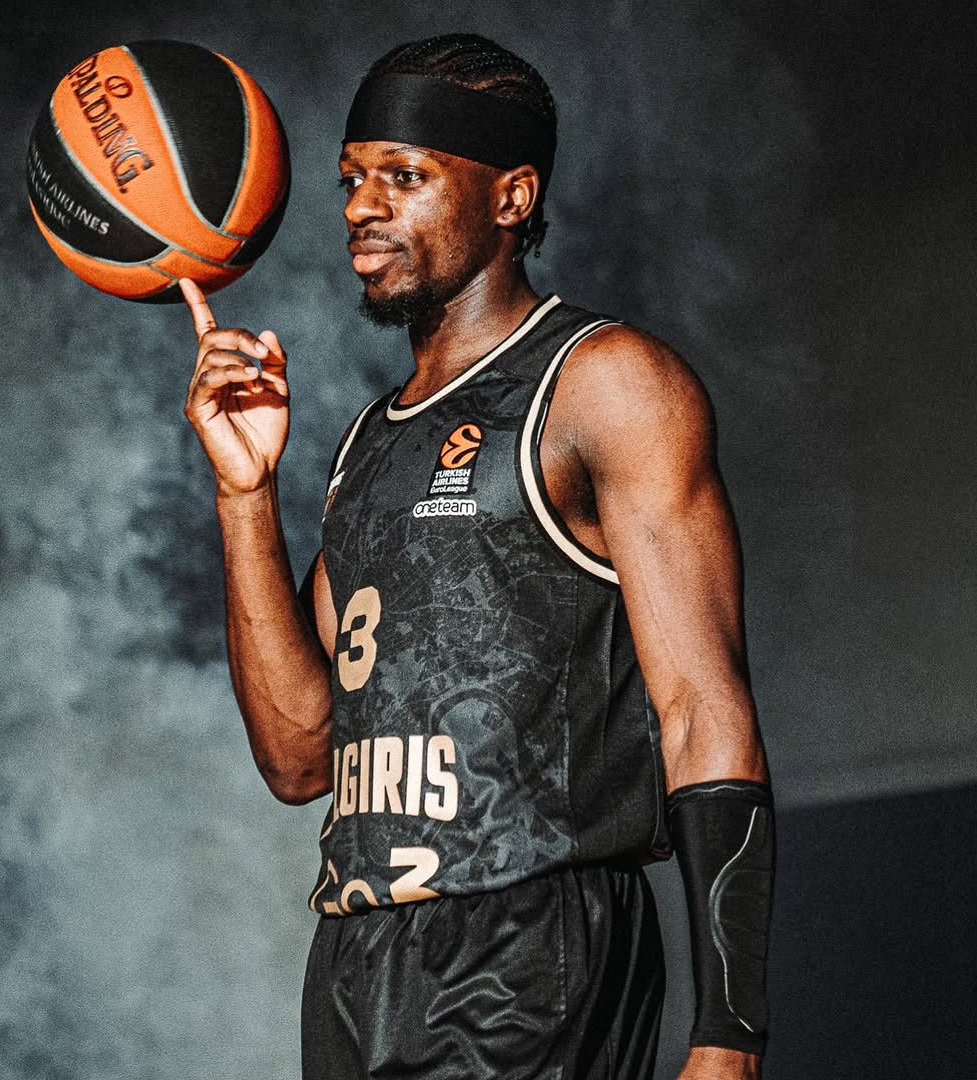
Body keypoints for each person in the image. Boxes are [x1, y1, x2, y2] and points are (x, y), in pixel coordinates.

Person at [181, 33, 774, 1080]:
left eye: (404, 177)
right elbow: (298, 756)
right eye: (352, 179)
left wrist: (729, 1032)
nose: (363, 207)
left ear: (512, 197)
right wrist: (245, 493)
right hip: (360, 959)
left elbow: (701, 709)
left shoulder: (604, 383)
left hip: (530, 946)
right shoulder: (371, 443)